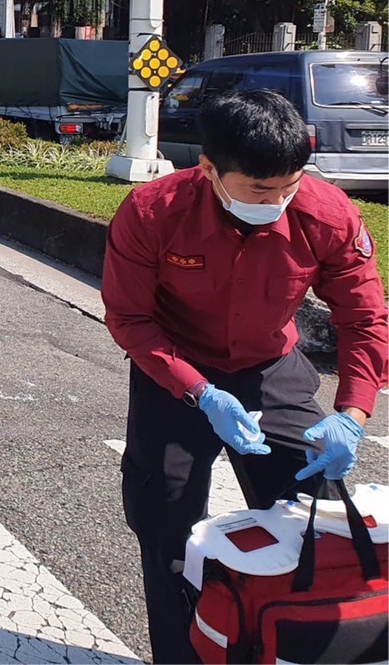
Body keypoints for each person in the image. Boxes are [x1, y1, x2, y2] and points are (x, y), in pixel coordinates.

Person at [101, 89, 386, 664]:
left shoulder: (327, 214)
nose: (278, 201)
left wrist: (353, 413)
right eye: (261, 190)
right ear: (208, 169)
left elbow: (365, 316)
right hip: (174, 375)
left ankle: (288, 647)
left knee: (316, 517)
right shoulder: (153, 213)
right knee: (166, 529)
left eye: (290, 185)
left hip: (271, 369)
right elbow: (130, 318)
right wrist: (201, 393)